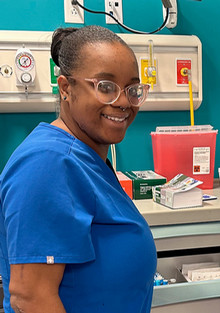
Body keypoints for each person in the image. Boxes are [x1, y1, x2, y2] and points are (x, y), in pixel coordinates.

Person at [0, 25, 156, 312]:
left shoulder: (85, 158)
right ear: (65, 88)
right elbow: (30, 298)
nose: (122, 102)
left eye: (132, 89)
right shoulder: (48, 164)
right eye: (105, 87)